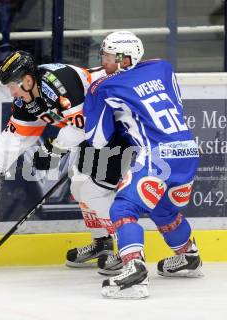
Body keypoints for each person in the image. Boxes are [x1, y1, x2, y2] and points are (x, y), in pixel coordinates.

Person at [0, 50, 131, 275]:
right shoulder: (27, 99)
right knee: (78, 185)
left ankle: (127, 253)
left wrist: (53, 151)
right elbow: (15, 138)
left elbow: (80, 128)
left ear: (27, 80)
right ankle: (102, 243)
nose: (11, 92)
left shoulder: (59, 87)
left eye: (12, 86)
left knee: (95, 190)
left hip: (118, 126)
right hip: (97, 132)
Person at [83, 31, 202, 299]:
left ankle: (134, 272)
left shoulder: (104, 87)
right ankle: (189, 257)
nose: (103, 59)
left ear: (124, 59)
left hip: (157, 155)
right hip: (187, 150)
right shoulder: (163, 67)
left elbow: (99, 139)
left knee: (124, 208)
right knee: (164, 211)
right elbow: (176, 104)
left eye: (108, 55)